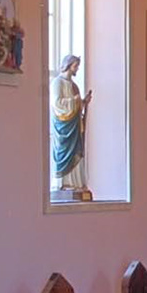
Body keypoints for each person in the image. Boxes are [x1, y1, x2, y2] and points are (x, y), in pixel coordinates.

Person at [51, 54, 92, 199]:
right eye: (75, 66)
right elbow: (57, 104)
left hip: (75, 125)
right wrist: (75, 101)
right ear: (68, 66)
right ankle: (64, 183)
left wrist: (83, 102)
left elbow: (77, 106)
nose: (77, 69)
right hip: (64, 126)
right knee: (64, 151)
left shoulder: (74, 85)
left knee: (77, 152)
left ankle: (77, 183)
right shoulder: (57, 83)